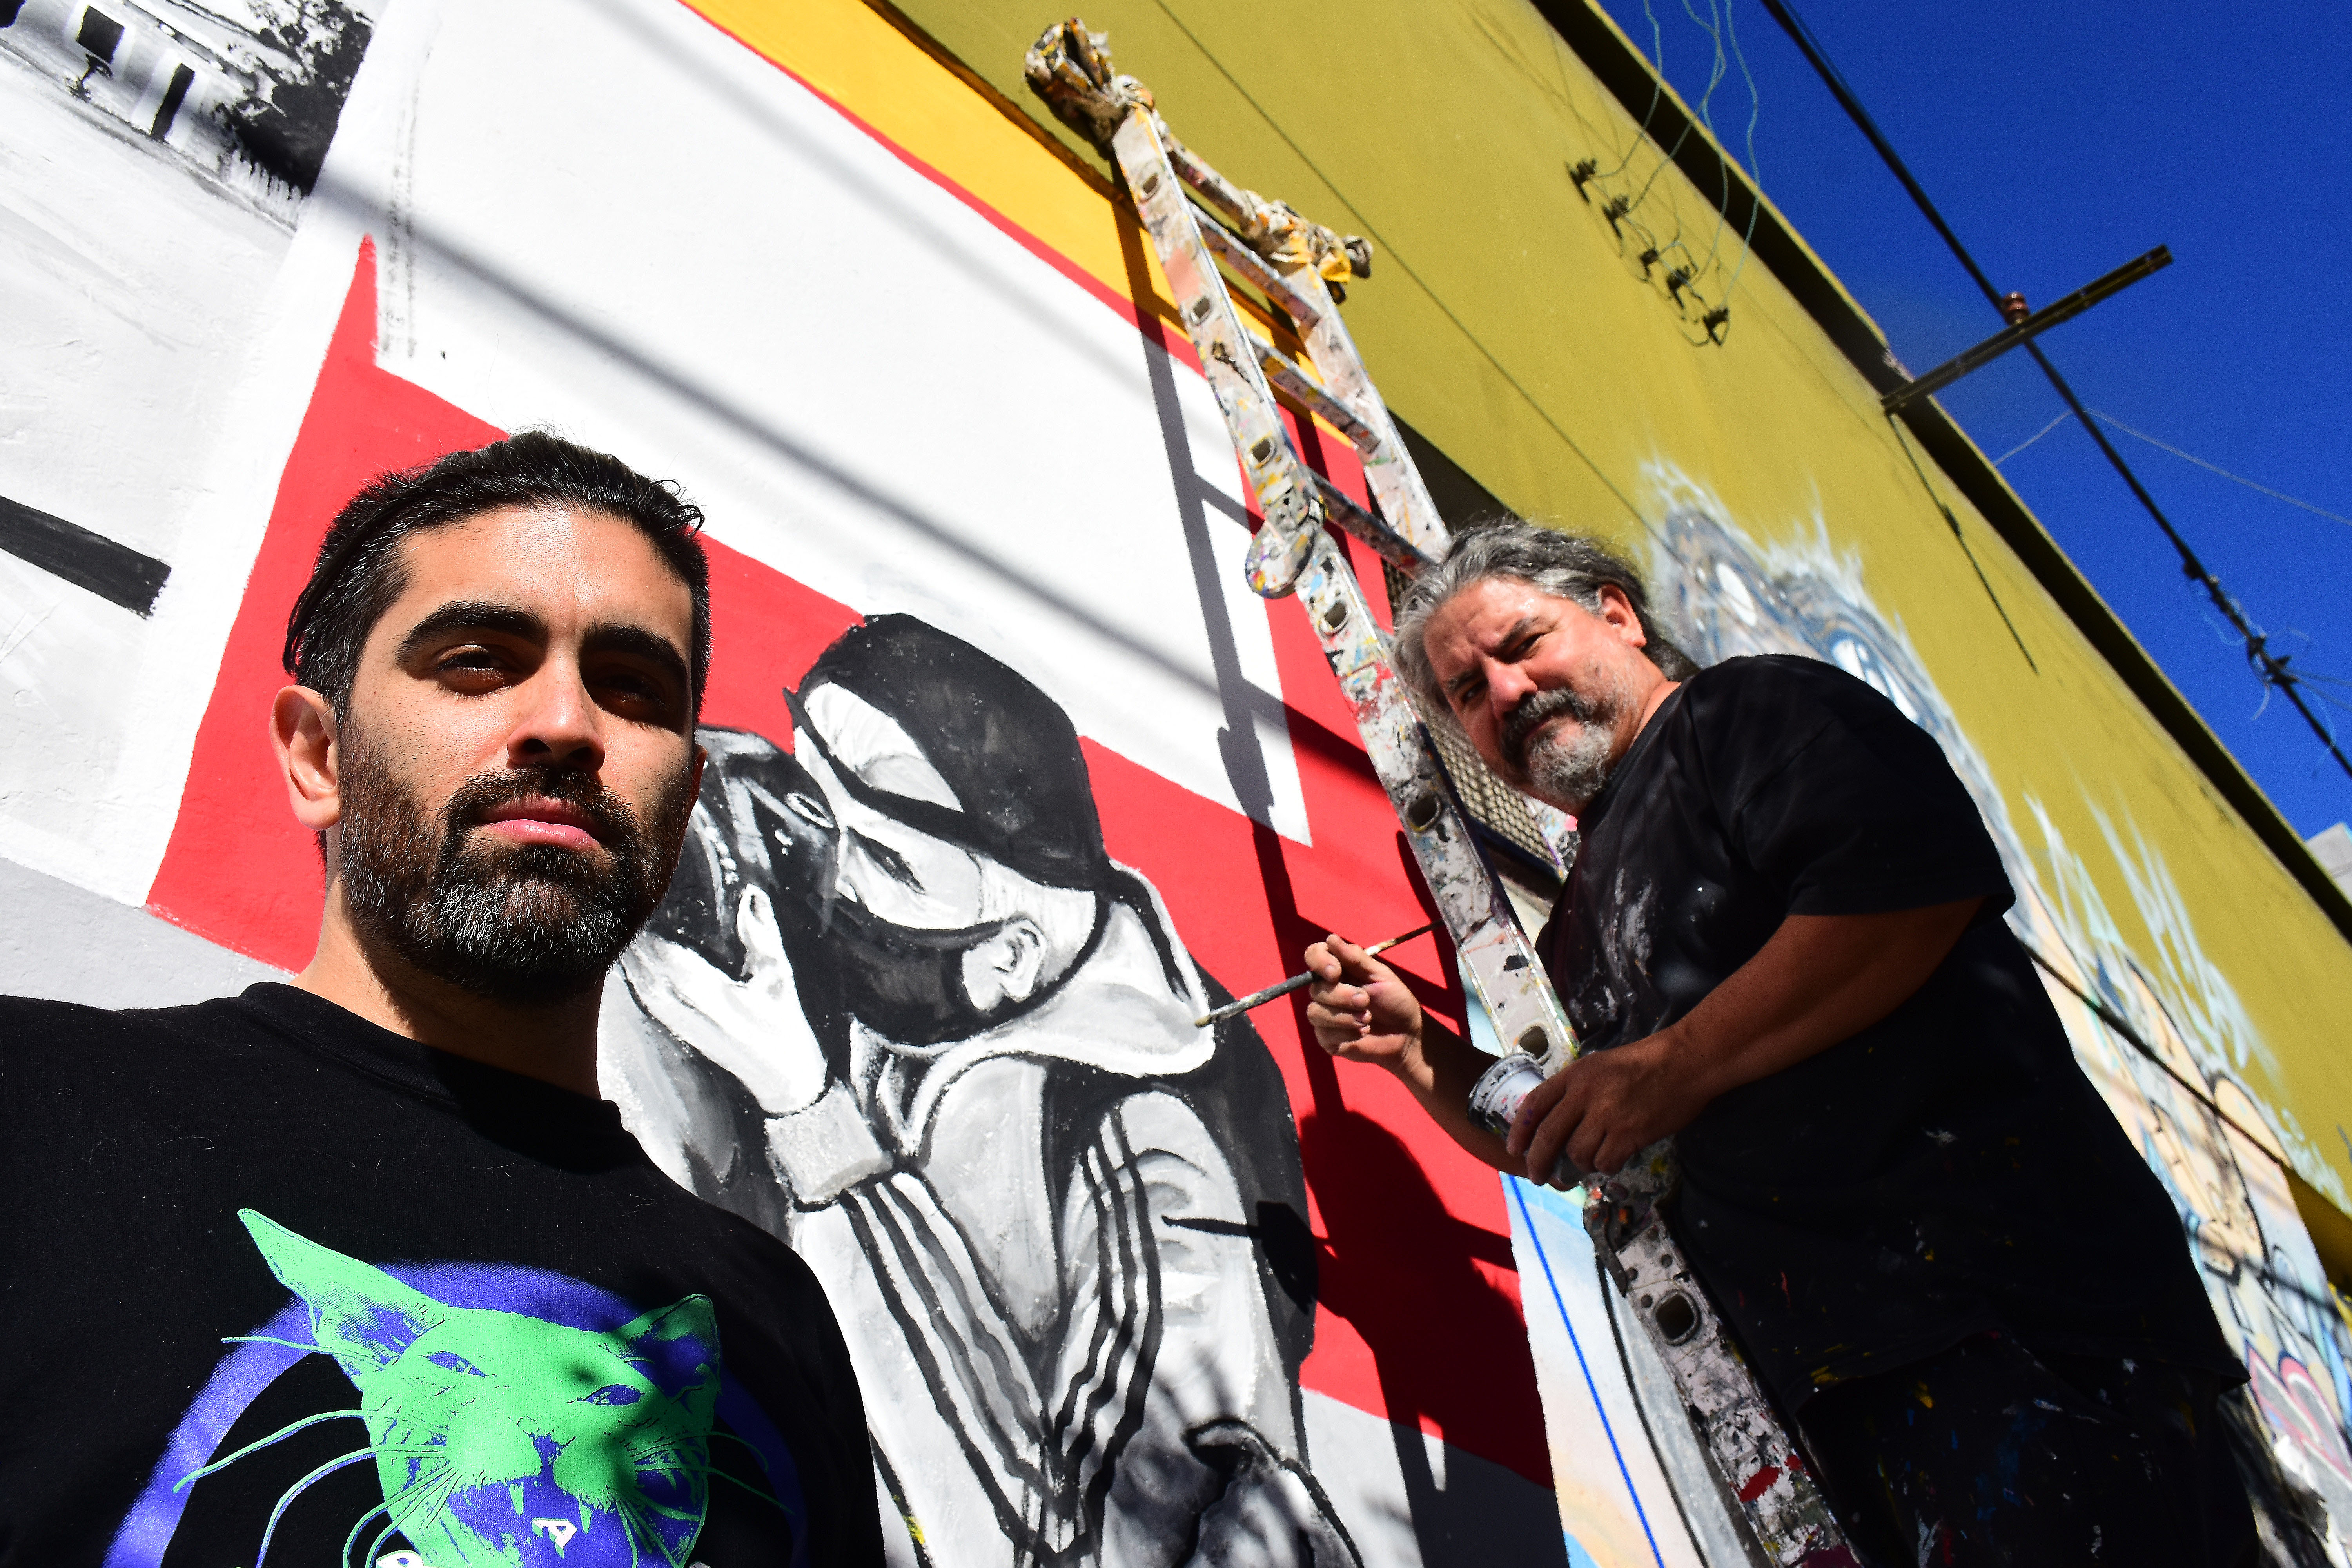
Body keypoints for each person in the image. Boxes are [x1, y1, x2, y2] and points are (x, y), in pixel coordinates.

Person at [0, 434, 882, 1565]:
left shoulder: (770, 1314)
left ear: (684, 802)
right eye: (478, 659)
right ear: (318, 754)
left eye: (633, 687)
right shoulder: (34, 1113)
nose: (566, 723)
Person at [1303, 520, 2254, 1566]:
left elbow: (1901, 893)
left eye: (1523, 642)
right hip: (1836, 1400)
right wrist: (1417, 1050)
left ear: (1617, 614)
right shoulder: (1578, 921)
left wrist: (1672, 1067)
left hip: (2017, 1325)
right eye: (1470, 694)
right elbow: (1596, 1131)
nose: (1509, 692)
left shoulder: (1747, 712)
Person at [611, 615, 1353, 1566]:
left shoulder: (1156, 1170)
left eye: (880, 861)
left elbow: (1063, 1545)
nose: (815, 865)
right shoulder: (794, 909)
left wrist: (811, 1117)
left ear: (1009, 952)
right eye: (811, 800)